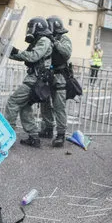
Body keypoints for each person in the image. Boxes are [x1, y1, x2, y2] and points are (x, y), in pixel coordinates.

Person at [5, 17, 53, 148]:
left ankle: (7, 135)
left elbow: (33, 56)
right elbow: (26, 55)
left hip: (35, 80)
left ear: (37, 27)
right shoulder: (39, 40)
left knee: (13, 102)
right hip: (35, 78)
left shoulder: (44, 40)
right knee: (25, 106)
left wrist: (15, 51)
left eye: (31, 27)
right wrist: (9, 52)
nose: (29, 30)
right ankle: (34, 137)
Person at [39, 16, 72, 147]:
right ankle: (48, 129)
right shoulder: (47, 40)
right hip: (48, 76)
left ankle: (61, 135)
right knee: (45, 103)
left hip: (60, 77)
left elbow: (66, 53)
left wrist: (55, 42)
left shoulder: (64, 39)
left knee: (59, 107)